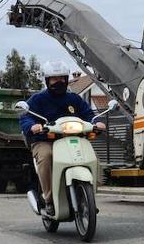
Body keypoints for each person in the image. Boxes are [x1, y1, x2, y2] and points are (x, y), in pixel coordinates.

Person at [19, 61, 106, 213]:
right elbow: (26, 117)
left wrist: (97, 122)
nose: (58, 82)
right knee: (46, 157)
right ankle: (49, 199)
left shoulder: (74, 99)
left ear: (66, 79)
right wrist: (32, 126)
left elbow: (88, 114)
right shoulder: (38, 99)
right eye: (54, 79)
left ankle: (89, 197)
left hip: (72, 139)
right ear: (47, 81)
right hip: (46, 140)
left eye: (61, 78)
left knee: (93, 158)